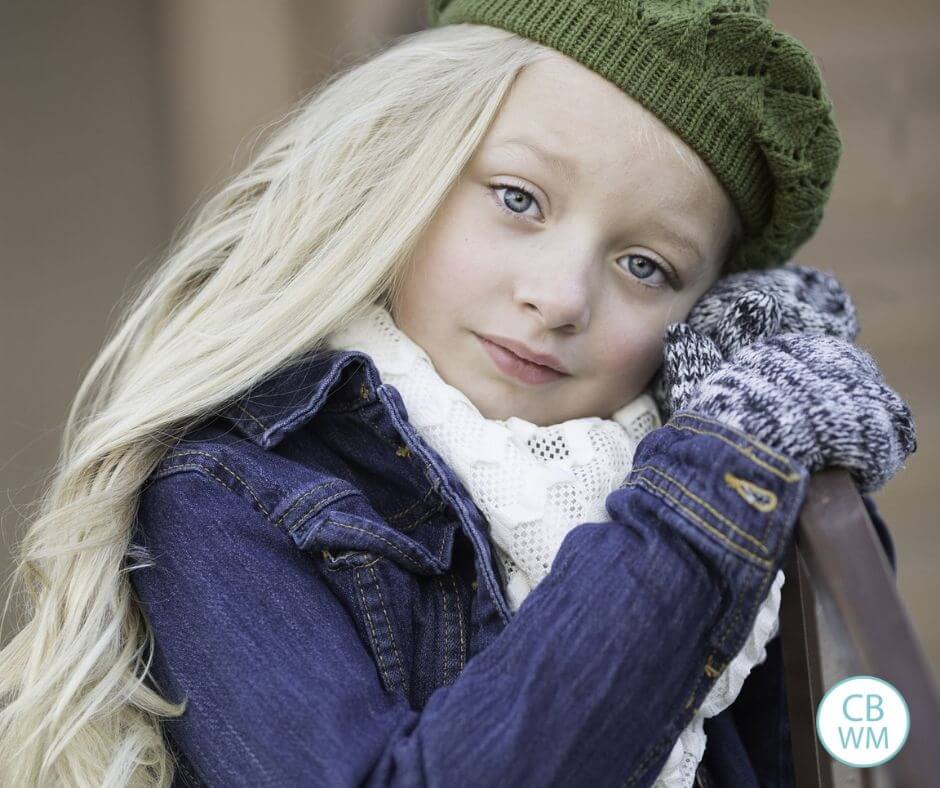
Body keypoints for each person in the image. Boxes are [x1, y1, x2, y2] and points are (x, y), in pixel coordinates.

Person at [0, 2, 915, 786]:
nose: (558, 297)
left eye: (647, 265)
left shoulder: (730, 462)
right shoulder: (228, 500)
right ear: (409, 171)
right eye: (518, 199)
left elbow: (846, 746)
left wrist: (787, 460)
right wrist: (719, 477)